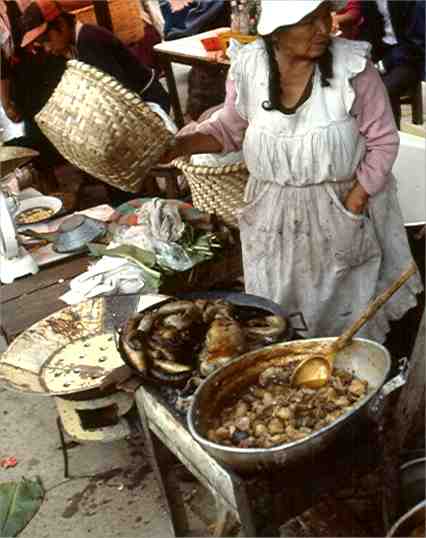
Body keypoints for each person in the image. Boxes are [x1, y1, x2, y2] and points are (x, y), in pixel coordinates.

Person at [162, 0, 423, 343]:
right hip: (275, 219)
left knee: (348, 319)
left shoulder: (353, 68)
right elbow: (228, 129)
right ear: (275, 31)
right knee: (282, 316)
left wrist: (355, 203)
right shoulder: (249, 68)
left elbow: (383, 142)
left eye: (324, 16)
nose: (324, 29)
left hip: (342, 210)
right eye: (308, 21)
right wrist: (179, 145)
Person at [19, 0, 170, 113]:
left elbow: (118, 93)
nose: (47, 48)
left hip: (150, 104)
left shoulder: (89, 39)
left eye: (47, 41)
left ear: (61, 24)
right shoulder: (75, 46)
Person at [358, 0, 425, 129]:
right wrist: (362, 53)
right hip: (382, 53)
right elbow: (368, 29)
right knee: (356, 85)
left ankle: (392, 139)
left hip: (409, 59)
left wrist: (384, 64)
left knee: (384, 90)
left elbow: (416, 43)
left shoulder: (411, 3)